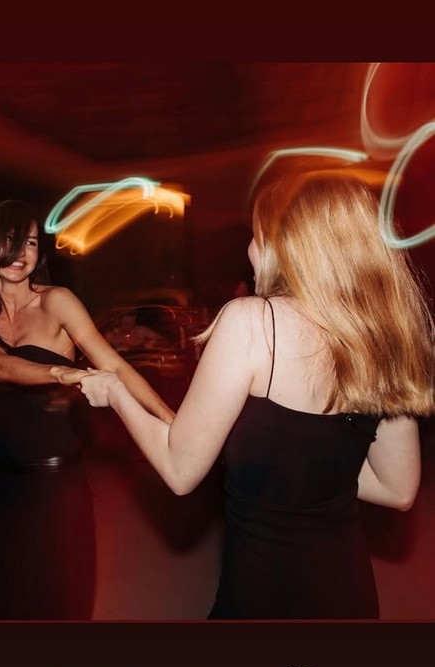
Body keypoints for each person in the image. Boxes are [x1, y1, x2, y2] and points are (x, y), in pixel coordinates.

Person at [58, 175, 434, 619]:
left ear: (287, 244)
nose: (250, 251)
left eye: (256, 236)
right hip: (347, 593)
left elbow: (179, 470)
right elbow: (397, 488)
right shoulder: (383, 339)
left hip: (264, 594)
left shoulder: (252, 323)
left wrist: (115, 391)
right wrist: (304, 470)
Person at [0, 200, 173, 620]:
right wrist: (66, 374)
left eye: (30, 242)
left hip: (55, 483)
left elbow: (115, 367)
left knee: (55, 602)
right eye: (10, 240)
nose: (21, 252)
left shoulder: (57, 302)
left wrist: (170, 421)